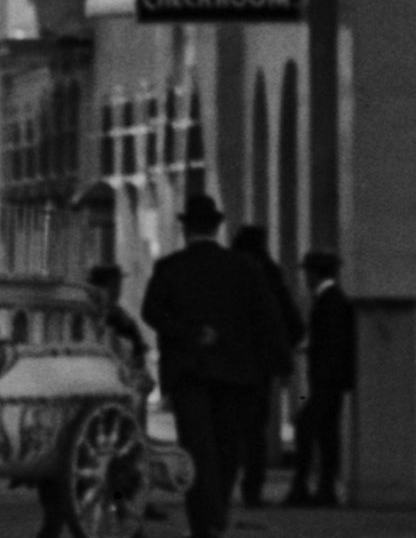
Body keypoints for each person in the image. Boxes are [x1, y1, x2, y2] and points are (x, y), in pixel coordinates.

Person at [142, 194, 292, 538]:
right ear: (218, 227)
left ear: (185, 229)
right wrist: (280, 364)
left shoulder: (170, 268)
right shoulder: (244, 268)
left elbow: (152, 312)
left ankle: (204, 520)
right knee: (227, 447)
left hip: (188, 372)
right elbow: (267, 318)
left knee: (196, 448)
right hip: (236, 374)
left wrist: (189, 334)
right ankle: (218, 511)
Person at [231, 225, 305, 508]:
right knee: (255, 430)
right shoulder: (268, 272)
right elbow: (285, 315)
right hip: (259, 364)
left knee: (227, 425)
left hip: (227, 359)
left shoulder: (229, 270)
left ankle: (221, 486)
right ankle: (252, 489)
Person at [86, 264, 167, 522]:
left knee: (131, 448)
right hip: (114, 388)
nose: (118, 289)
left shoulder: (113, 314)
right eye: (114, 285)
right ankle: (130, 502)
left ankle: (132, 501)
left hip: (124, 388)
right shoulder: (103, 314)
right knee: (126, 449)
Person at [283, 251, 356, 508]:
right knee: (327, 434)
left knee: (306, 427)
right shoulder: (333, 299)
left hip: (327, 379)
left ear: (314, 273)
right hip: (331, 379)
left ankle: (303, 486)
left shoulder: (329, 301)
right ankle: (324, 489)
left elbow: (331, 344)